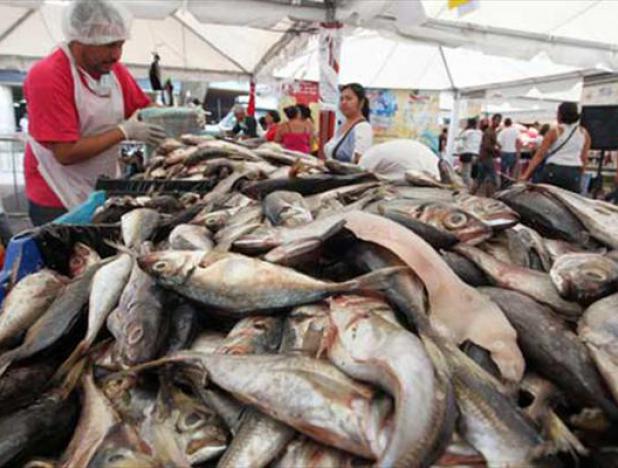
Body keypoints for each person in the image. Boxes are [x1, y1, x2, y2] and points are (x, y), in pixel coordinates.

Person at [23, 0, 165, 226]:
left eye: (120, 44)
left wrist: (178, 117)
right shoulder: (48, 76)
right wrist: (123, 131)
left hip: (101, 187)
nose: (117, 55)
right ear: (82, 39)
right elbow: (65, 153)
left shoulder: (113, 70)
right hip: (56, 194)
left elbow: (144, 108)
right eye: (109, 45)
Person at [520, 102, 590, 193]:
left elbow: (540, 155)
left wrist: (526, 175)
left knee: (547, 199)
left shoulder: (554, 131)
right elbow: (584, 158)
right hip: (574, 171)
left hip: (554, 170)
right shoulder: (584, 133)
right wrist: (582, 175)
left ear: (560, 114)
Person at [324, 83, 373, 163]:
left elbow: (360, 161)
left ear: (361, 103)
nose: (344, 102)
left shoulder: (363, 127)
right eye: (341, 99)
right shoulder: (342, 125)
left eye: (349, 99)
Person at [359, 139, 440, 181]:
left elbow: (358, 178)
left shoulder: (368, 157)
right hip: (434, 166)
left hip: (427, 172)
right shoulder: (378, 151)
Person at [472, 114, 502, 197]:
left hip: (484, 157)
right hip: (486, 157)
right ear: (493, 120)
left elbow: (488, 143)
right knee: (492, 178)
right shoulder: (489, 132)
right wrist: (496, 150)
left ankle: (472, 193)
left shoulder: (491, 131)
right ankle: (490, 196)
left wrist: (497, 145)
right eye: (497, 120)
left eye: (499, 121)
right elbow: (486, 145)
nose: (498, 122)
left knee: (481, 178)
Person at [456, 118, 482, 187]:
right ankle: (474, 187)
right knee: (473, 174)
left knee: (465, 174)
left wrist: (458, 151)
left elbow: (459, 142)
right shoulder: (479, 133)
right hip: (476, 154)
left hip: (466, 154)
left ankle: (470, 188)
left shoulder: (466, 132)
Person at [497, 117, 521, 184]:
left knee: (503, 170)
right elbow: (518, 142)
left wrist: (500, 150)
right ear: (511, 123)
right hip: (513, 152)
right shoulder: (516, 131)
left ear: (505, 124)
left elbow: (498, 142)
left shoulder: (502, 132)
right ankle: (510, 183)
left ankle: (503, 183)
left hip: (504, 152)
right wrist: (518, 153)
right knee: (511, 170)